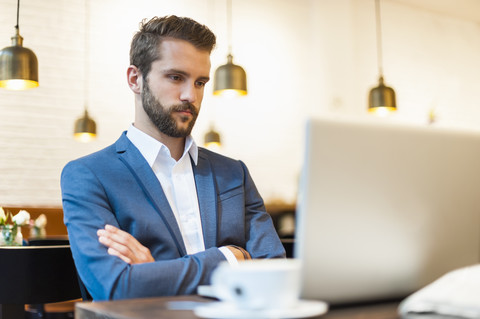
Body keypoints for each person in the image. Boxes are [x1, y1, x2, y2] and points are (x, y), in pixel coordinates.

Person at [61, 15, 285, 301]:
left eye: (201, 82)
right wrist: (231, 256)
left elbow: (275, 271)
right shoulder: (88, 175)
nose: (191, 95)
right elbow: (117, 286)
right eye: (176, 77)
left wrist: (157, 273)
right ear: (135, 79)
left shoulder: (234, 173)